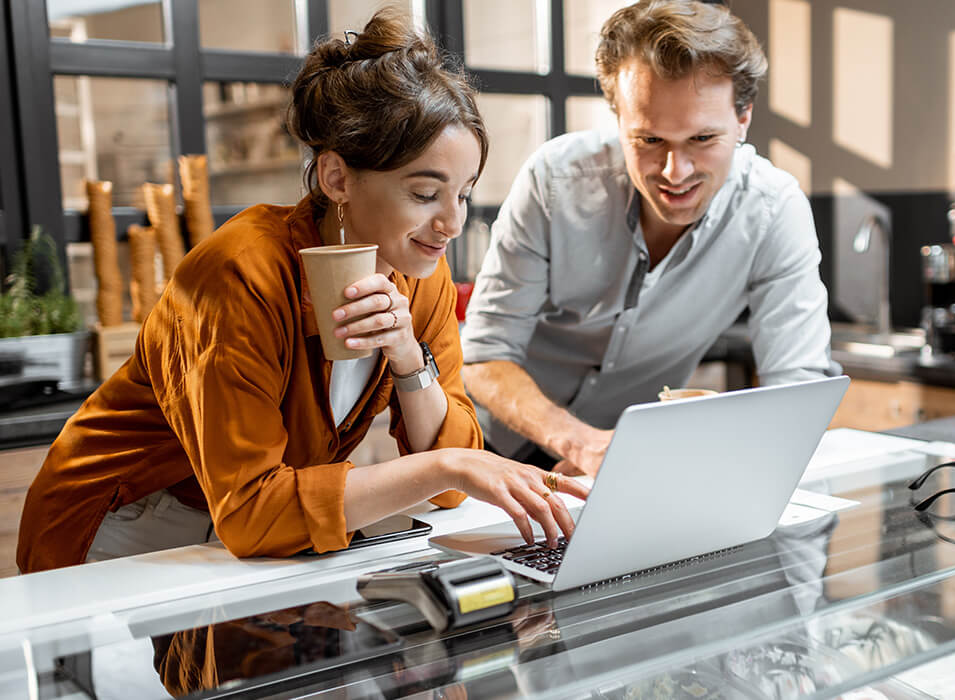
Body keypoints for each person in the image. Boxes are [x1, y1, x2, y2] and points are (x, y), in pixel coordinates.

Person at [17, 10, 587, 574]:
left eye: (463, 194)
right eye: (423, 193)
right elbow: (252, 508)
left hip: (248, 534)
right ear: (337, 178)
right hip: (121, 522)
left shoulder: (422, 276)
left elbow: (450, 485)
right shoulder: (239, 273)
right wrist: (447, 468)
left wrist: (410, 358)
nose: (452, 223)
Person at [460, 0, 835, 477]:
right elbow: (486, 356)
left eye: (702, 140)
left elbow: (797, 387)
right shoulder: (554, 180)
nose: (675, 173)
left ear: (743, 118)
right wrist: (581, 444)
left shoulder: (773, 210)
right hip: (495, 444)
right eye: (650, 141)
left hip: (624, 464)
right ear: (617, 119)